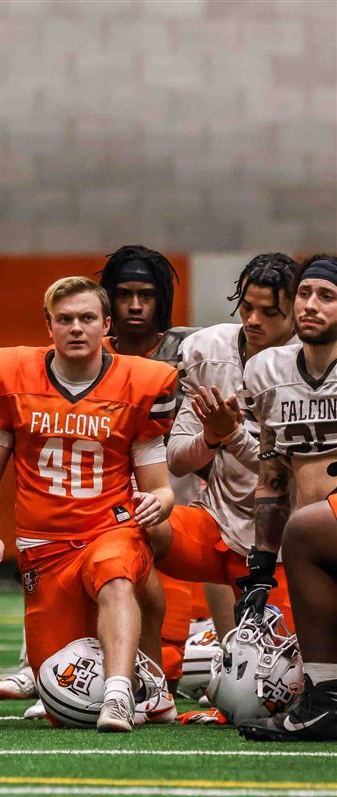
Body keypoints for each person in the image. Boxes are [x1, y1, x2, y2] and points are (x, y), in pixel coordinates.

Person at [0, 276, 177, 733]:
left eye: (87, 318)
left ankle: (120, 694)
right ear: (48, 325)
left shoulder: (139, 383)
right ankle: (149, 685)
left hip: (110, 527)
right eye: (65, 319)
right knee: (59, 698)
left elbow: (161, 487)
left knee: (116, 572)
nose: (76, 328)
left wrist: (157, 504)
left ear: (107, 324)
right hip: (44, 545)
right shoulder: (12, 378)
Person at [151, 254, 300, 635]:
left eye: (269, 312)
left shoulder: (312, 365)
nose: (253, 320)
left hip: (284, 540)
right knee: (128, 534)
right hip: (216, 522)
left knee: (269, 685)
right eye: (247, 307)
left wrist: (230, 435)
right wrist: (212, 437)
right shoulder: (208, 349)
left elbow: (284, 473)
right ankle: (154, 676)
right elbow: (178, 459)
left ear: (296, 314)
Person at [237, 255, 337, 742]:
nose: (311, 305)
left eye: (327, 296)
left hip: (317, 532)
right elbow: (273, 475)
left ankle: (324, 700)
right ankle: (324, 697)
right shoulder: (266, 372)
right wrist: (260, 565)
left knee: (305, 529)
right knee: (302, 527)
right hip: (316, 543)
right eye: (304, 294)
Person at [97, 244, 205, 689]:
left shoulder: (191, 349)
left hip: (176, 498)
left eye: (146, 294)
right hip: (100, 497)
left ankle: (206, 642)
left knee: (171, 665)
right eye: (124, 295)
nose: (136, 305)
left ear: (162, 299)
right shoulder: (87, 347)